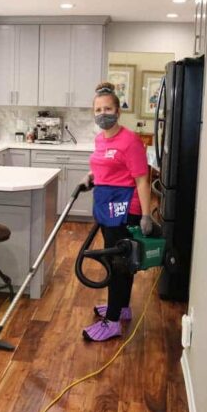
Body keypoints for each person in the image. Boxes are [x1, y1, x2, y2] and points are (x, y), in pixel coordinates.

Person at [80, 82, 152, 342]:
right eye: (98, 109)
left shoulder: (130, 141)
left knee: (117, 264)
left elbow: (142, 180)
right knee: (120, 262)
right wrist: (90, 177)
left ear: (118, 110)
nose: (102, 114)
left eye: (107, 108)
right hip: (106, 204)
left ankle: (111, 322)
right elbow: (104, 167)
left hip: (125, 208)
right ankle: (121, 308)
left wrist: (145, 215)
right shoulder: (101, 139)